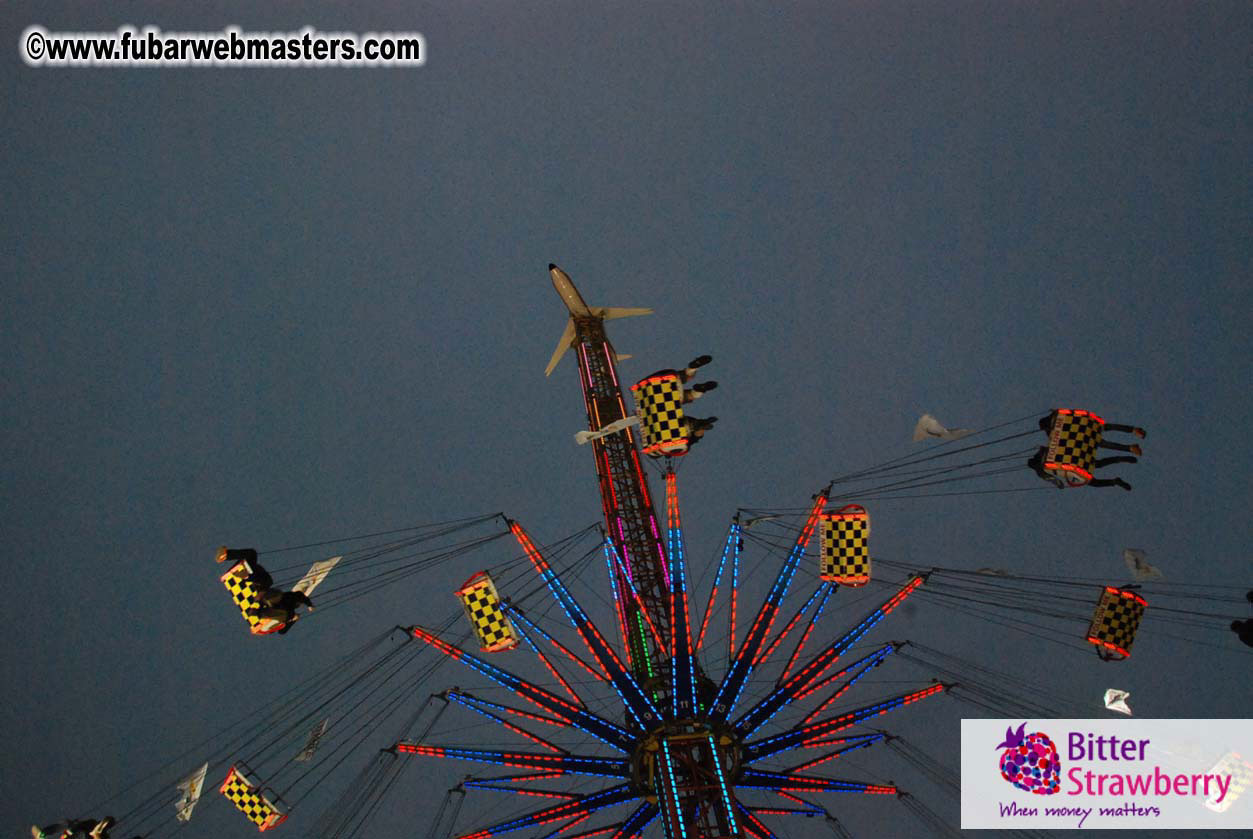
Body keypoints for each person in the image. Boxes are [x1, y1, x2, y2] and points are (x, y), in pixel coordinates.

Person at [1027, 447, 1132, 490]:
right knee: (1098, 464)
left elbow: (1053, 479)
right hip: (1074, 460)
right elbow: (1049, 447)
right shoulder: (1042, 453)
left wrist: (1060, 485)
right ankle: (1119, 459)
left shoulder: (1040, 471)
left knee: (1093, 482)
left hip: (1071, 471)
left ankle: (1114, 481)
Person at [1039, 411, 1146, 453]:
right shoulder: (1056, 416)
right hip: (1084, 428)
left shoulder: (1052, 430)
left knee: (1106, 441)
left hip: (1083, 433)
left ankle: (1130, 446)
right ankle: (1133, 435)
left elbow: (1059, 442)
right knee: (1107, 430)